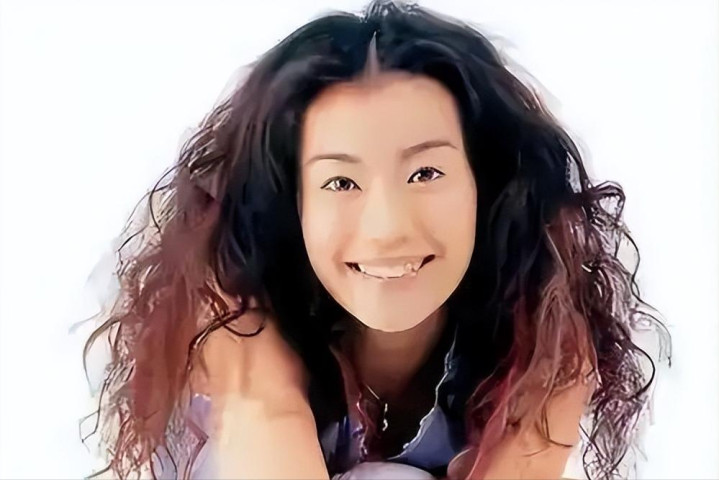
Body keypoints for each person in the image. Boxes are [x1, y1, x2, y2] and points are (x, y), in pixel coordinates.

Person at [81, 1, 671, 479]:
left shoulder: (546, 332)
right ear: (292, 201)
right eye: (340, 182)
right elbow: (268, 428)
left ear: (485, 185)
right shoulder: (230, 313)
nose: (388, 227)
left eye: (426, 173)